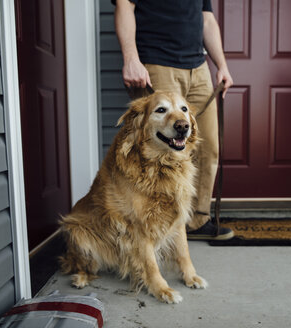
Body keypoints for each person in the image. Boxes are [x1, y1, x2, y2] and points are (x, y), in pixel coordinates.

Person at [113, 0, 234, 240]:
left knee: (206, 147)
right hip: (157, 64)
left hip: (198, 68)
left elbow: (207, 19)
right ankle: (152, 228)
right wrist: (131, 59)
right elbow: (124, 6)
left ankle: (197, 221)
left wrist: (221, 65)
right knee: (157, 153)